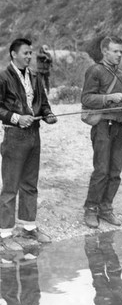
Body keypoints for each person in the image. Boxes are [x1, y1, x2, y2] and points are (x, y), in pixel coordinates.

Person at [0, 38, 57, 249]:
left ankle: (28, 228)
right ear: (14, 54)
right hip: (14, 136)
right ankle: (4, 236)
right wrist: (16, 118)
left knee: (30, 184)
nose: (29, 56)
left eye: (30, 53)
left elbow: (43, 104)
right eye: (25, 53)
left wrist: (48, 115)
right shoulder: (3, 77)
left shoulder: (34, 76)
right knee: (10, 187)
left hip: (34, 135)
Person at [81, 36, 122, 228]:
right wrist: (110, 98)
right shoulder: (95, 71)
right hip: (102, 127)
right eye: (116, 51)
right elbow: (86, 99)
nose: (119, 54)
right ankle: (91, 209)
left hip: (119, 127)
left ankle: (106, 208)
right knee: (101, 171)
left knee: (115, 172)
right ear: (105, 51)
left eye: (121, 51)